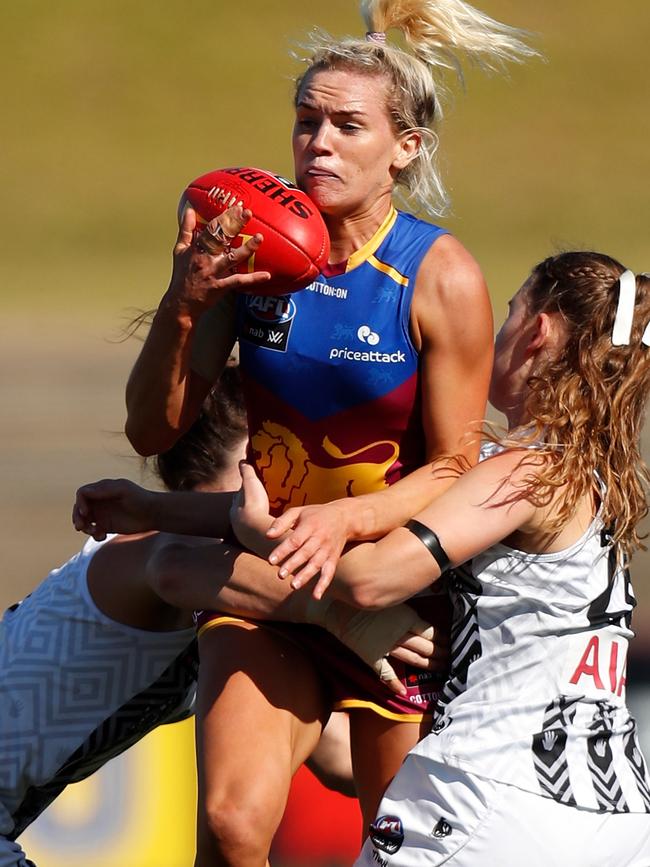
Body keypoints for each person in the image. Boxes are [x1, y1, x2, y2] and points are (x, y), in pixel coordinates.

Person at [123, 0, 536, 861]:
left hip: (395, 600)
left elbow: (460, 462)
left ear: (404, 149)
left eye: (348, 125)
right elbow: (152, 430)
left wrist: (344, 520)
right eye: (307, 120)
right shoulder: (249, 259)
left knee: (401, 845)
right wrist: (186, 295)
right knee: (233, 825)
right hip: (271, 589)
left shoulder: (437, 273)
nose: (319, 142)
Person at [234, 251, 650, 866]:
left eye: (509, 314)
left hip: (489, 803)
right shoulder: (607, 484)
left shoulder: (526, 470)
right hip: (618, 821)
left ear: (537, 334)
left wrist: (259, 529)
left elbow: (371, 580)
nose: (496, 334)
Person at [1, 377, 431, 867]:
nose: (291, 493)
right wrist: (346, 617)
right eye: (269, 469)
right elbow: (175, 567)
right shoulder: (168, 552)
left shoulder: (241, 604)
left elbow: (336, 760)